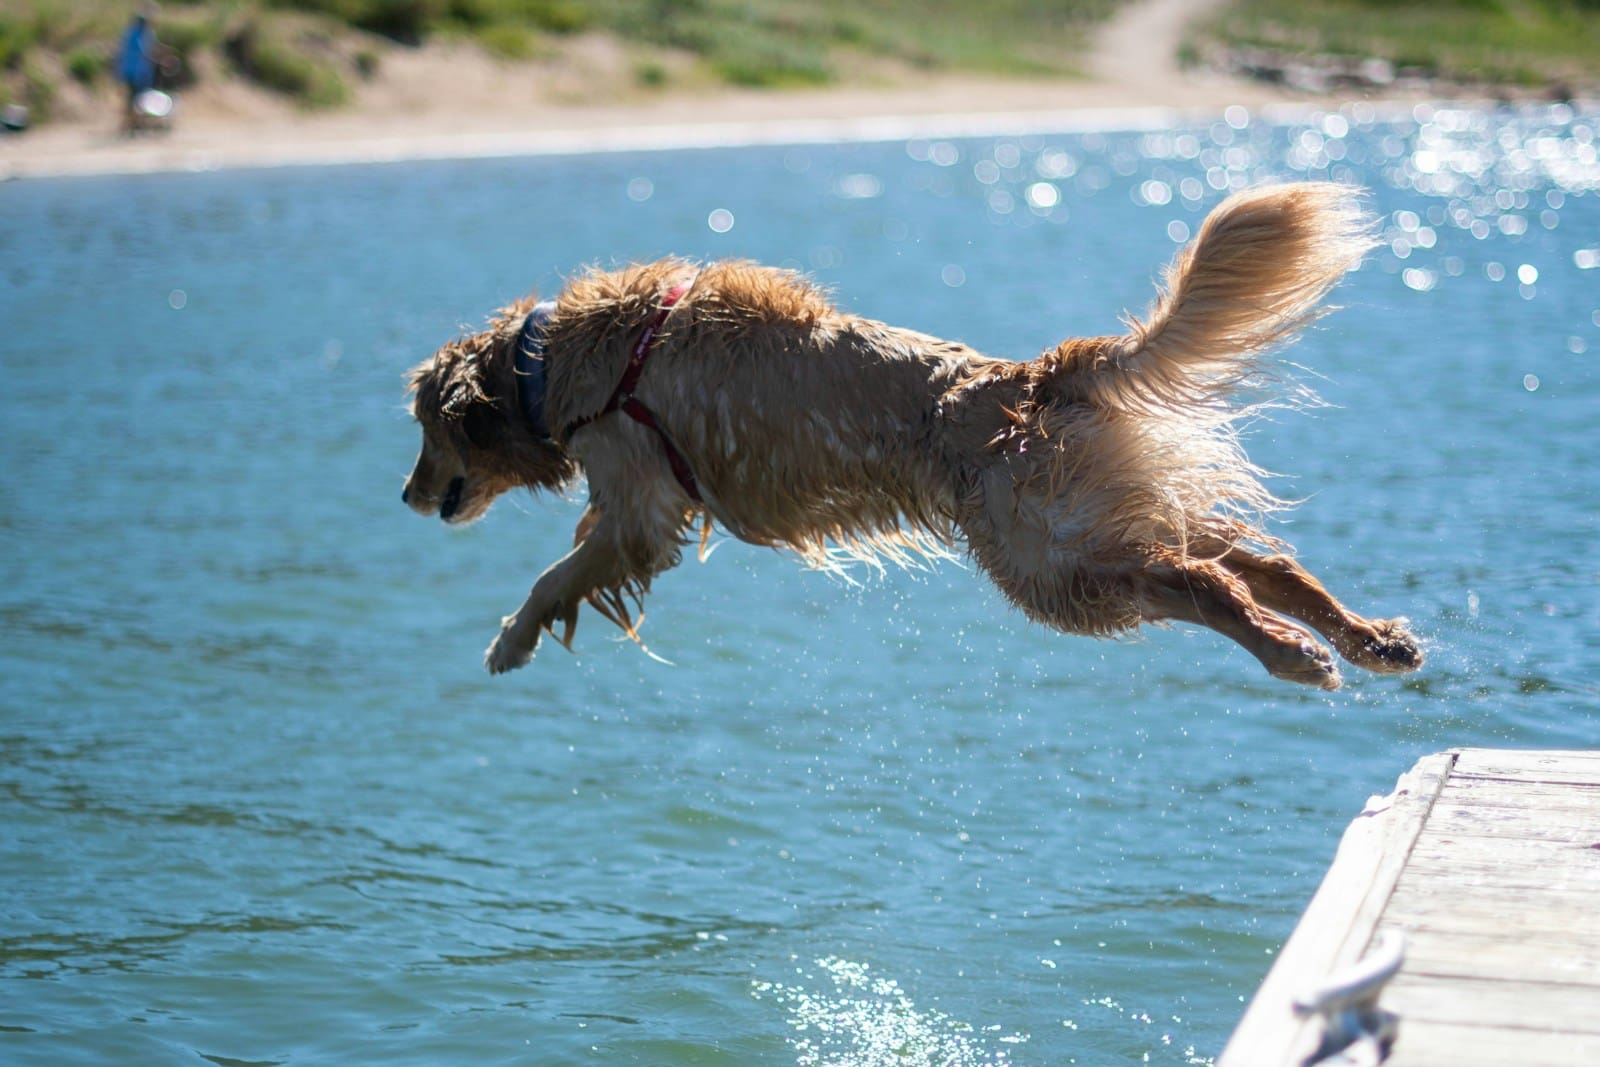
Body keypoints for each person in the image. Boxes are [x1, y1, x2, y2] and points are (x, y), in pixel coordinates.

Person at [117, 5, 159, 133]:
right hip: (137, 72)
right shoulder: (140, 34)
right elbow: (145, 52)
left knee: (132, 98)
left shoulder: (131, 32)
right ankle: (134, 124)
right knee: (137, 98)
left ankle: (132, 123)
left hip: (131, 71)